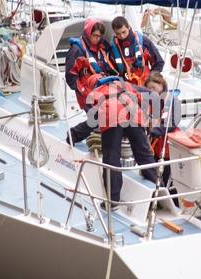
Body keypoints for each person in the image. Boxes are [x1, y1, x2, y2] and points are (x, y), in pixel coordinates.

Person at [86, 73, 159, 209]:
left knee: (111, 157)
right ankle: (158, 190)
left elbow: (90, 121)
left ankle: (113, 200)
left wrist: (72, 135)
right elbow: (147, 95)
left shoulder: (95, 92)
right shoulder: (123, 84)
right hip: (134, 114)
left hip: (111, 116)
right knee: (144, 154)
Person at [65, 18, 117, 145]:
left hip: (102, 89)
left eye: (99, 36)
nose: (97, 39)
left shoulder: (103, 48)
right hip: (86, 91)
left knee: (110, 114)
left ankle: (106, 141)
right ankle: (73, 135)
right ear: (88, 33)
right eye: (95, 36)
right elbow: (70, 75)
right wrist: (81, 90)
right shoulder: (77, 50)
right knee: (96, 119)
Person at [144, 71, 181, 188]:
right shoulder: (148, 101)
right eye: (149, 88)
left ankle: (173, 205)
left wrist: (152, 131)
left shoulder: (173, 100)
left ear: (161, 84)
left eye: (153, 87)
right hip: (152, 148)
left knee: (169, 181)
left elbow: (173, 123)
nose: (151, 90)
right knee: (152, 180)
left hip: (168, 148)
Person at [109, 16, 165, 86]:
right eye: (118, 34)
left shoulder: (143, 42)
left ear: (128, 27)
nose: (122, 36)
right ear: (114, 32)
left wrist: (151, 80)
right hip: (126, 88)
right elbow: (112, 71)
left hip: (145, 86)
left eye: (124, 32)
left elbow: (159, 62)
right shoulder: (113, 48)